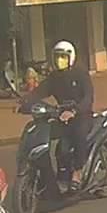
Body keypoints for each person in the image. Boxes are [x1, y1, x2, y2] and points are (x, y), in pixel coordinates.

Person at [21, 41, 93, 189]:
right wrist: (25, 102)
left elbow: (88, 98)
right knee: (56, 145)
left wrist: (74, 111)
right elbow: (40, 91)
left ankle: (78, 172)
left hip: (82, 116)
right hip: (61, 116)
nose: (60, 60)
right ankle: (56, 175)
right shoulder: (54, 77)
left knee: (78, 135)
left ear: (71, 58)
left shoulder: (80, 74)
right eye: (57, 57)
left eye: (63, 57)